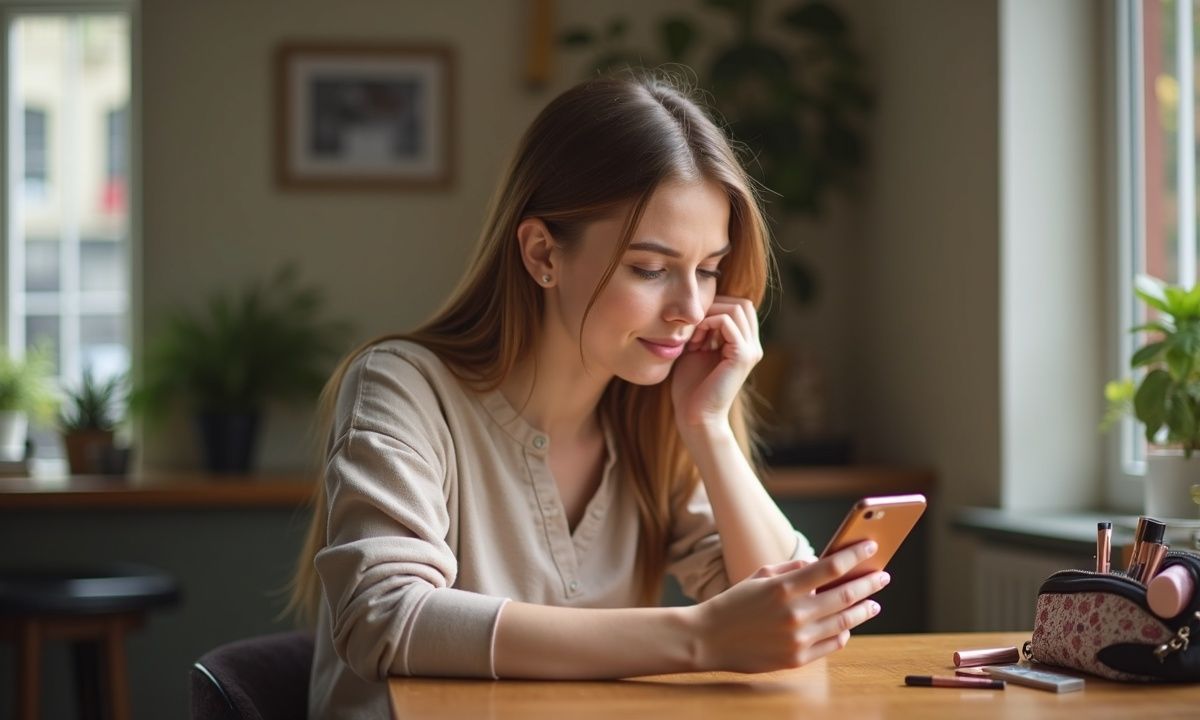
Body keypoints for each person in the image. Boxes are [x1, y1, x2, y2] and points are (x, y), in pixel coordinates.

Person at [289, 70, 889, 719]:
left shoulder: (654, 415)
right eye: (650, 269)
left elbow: (794, 620)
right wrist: (696, 638)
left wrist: (708, 427)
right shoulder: (402, 386)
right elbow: (383, 618)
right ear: (543, 252)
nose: (691, 307)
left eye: (709, 269)